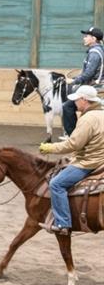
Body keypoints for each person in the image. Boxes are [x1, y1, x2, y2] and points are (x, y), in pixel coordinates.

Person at [38, 84, 104, 235]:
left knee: (56, 184)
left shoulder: (87, 119)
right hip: (102, 159)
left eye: (76, 100)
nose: (74, 103)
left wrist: (50, 148)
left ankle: (62, 223)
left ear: (84, 100)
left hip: (88, 163)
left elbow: (73, 144)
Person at [60, 25, 104, 138]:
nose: (84, 38)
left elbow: (89, 73)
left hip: (95, 87)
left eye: (87, 36)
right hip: (96, 86)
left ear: (93, 39)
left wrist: (74, 81)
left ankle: (74, 137)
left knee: (67, 107)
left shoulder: (94, 53)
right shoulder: (98, 51)